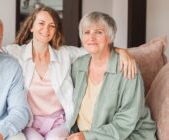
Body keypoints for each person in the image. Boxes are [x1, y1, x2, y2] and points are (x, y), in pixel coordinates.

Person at [0, 7, 137, 140]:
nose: (46, 29)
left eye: (52, 26)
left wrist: (123, 52)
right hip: (30, 121)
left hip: (58, 121)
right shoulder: (16, 52)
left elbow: (95, 48)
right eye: (41, 23)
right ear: (31, 26)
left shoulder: (64, 54)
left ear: (55, 31)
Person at [67, 12, 156, 140]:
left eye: (98, 32)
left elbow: (126, 120)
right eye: (86, 32)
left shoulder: (126, 67)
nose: (91, 37)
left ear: (109, 37)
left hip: (126, 135)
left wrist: (88, 136)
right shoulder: (78, 65)